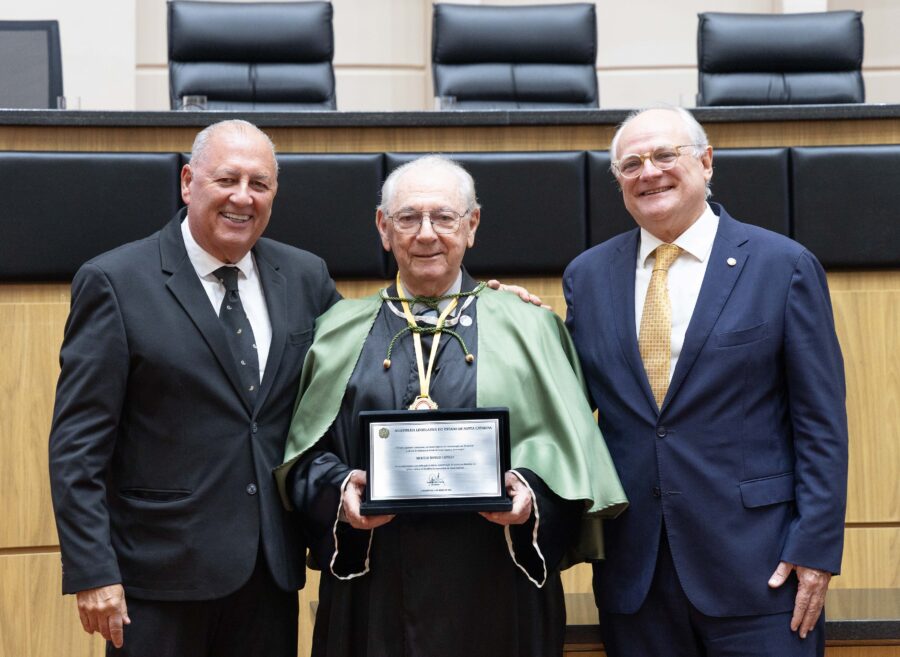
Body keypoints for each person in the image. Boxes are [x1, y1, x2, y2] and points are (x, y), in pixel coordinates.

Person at [277, 155, 627, 657]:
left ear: (472, 225)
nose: (426, 234)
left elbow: (572, 455)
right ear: (383, 227)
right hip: (375, 595)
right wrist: (339, 493)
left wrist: (532, 494)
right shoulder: (336, 331)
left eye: (443, 217)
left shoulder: (530, 327)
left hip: (498, 589)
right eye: (408, 218)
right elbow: (303, 459)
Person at [48, 119, 341, 656]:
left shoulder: (305, 276)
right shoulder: (116, 281)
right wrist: (93, 569)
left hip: (268, 571)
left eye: (260, 184)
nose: (242, 198)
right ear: (188, 182)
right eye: (226, 179)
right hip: (158, 580)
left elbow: (363, 362)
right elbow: (77, 445)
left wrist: (492, 305)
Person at [563, 107, 848, 657]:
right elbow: (573, 407)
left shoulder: (781, 265)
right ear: (618, 180)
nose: (649, 172)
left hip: (761, 569)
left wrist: (815, 547)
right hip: (635, 573)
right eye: (631, 163)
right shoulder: (588, 276)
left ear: (706, 161)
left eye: (666, 155)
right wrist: (522, 325)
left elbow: (821, 423)